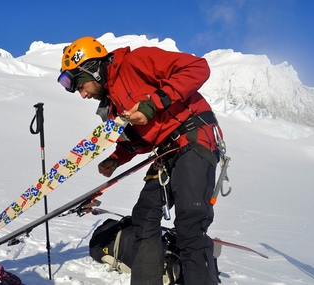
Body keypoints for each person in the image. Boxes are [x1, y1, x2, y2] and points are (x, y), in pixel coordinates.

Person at [57, 36, 223, 285]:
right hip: (165, 152)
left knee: (190, 221)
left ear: (92, 69)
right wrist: (116, 159)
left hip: (194, 136)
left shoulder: (136, 61)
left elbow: (198, 67)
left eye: (80, 86)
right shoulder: (112, 106)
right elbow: (137, 142)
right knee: (144, 218)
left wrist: (153, 104)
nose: (82, 95)